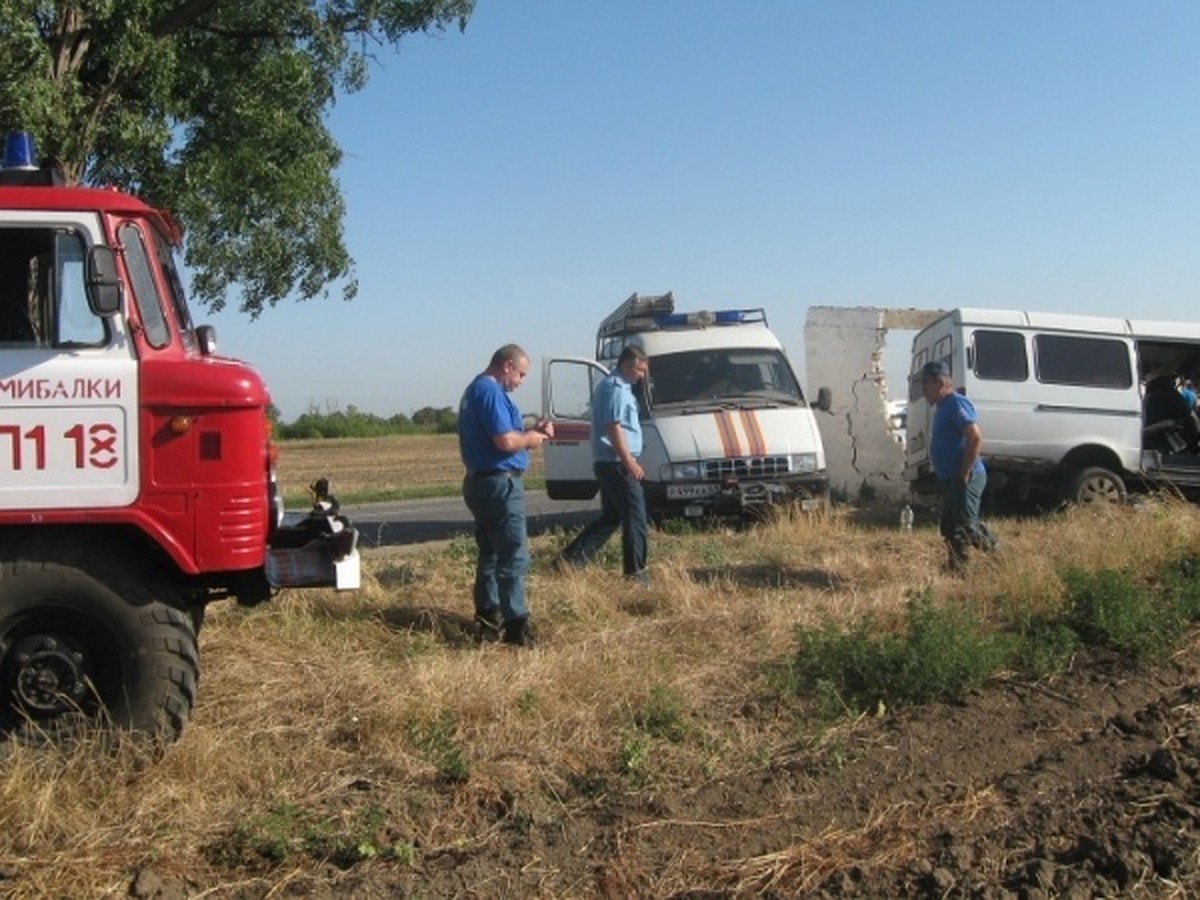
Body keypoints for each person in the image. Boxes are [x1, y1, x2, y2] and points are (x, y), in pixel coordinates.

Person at [458, 344, 554, 646]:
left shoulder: (476, 391)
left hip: (482, 482)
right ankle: (517, 627)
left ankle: (489, 616)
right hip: (500, 485)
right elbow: (504, 440)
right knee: (513, 553)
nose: (521, 381)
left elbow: (502, 434)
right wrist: (531, 438)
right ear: (507, 366)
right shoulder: (489, 392)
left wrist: (528, 431)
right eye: (521, 374)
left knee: (491, 552)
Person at [558, 345, 651, 583]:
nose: (641, 375)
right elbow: (614, 427)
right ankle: (635, 573)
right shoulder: (616, 389)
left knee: (612, 518)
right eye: (640, 370)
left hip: (610, 463)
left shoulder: (616, 387)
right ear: (627, 365)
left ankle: (570, 560)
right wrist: (629, 461)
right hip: (617, 463)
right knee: (635, 516)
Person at [920, 360, 997, 570]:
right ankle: (957, 568)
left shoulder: (956, 403)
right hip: (952, 478)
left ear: (939, 383)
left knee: (967, 527)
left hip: (966, 476)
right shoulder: (942, 408)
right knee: (950, 526)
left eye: (925, 384)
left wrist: (963, 473)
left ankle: (1001, 558)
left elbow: (974, 438)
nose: (923, 390)